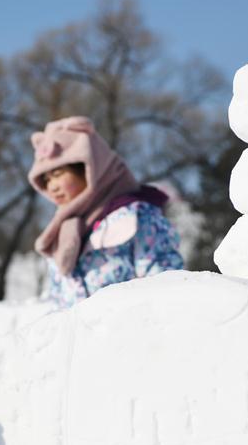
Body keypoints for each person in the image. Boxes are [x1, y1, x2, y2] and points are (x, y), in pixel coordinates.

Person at [28, 116, 184, 309]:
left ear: (89, 169)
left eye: (58, 174)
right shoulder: (59, 235)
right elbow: (58, 302)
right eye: (46, 179)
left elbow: (166, 289)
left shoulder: (136, 217)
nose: (52, 186)